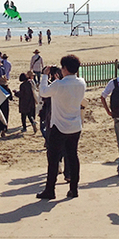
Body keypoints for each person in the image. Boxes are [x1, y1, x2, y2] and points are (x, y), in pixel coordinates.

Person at [36, 55, 87, 200]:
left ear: (64, 68)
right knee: (73, 156)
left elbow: (43, 92)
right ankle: (74, 189)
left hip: (59, 126)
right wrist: (59, 81)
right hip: (75, 125)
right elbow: (65, 90)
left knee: (53, 159)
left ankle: (50, 190)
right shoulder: (81, 82)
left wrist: (45, 76)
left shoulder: (59, 85)